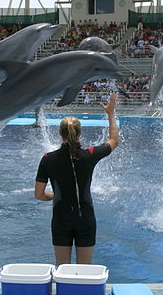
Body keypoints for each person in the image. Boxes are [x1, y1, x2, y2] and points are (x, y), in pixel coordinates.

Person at [34, 93, 119, 265]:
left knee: (62, 269)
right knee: (84, 271)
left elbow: (39, 195)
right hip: (86, 218)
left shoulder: (47, 159)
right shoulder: (90, 155)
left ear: (60, 133)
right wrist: (110, 114)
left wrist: (55, 195)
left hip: (60, 218)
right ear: (80, 133)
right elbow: (114, 140)